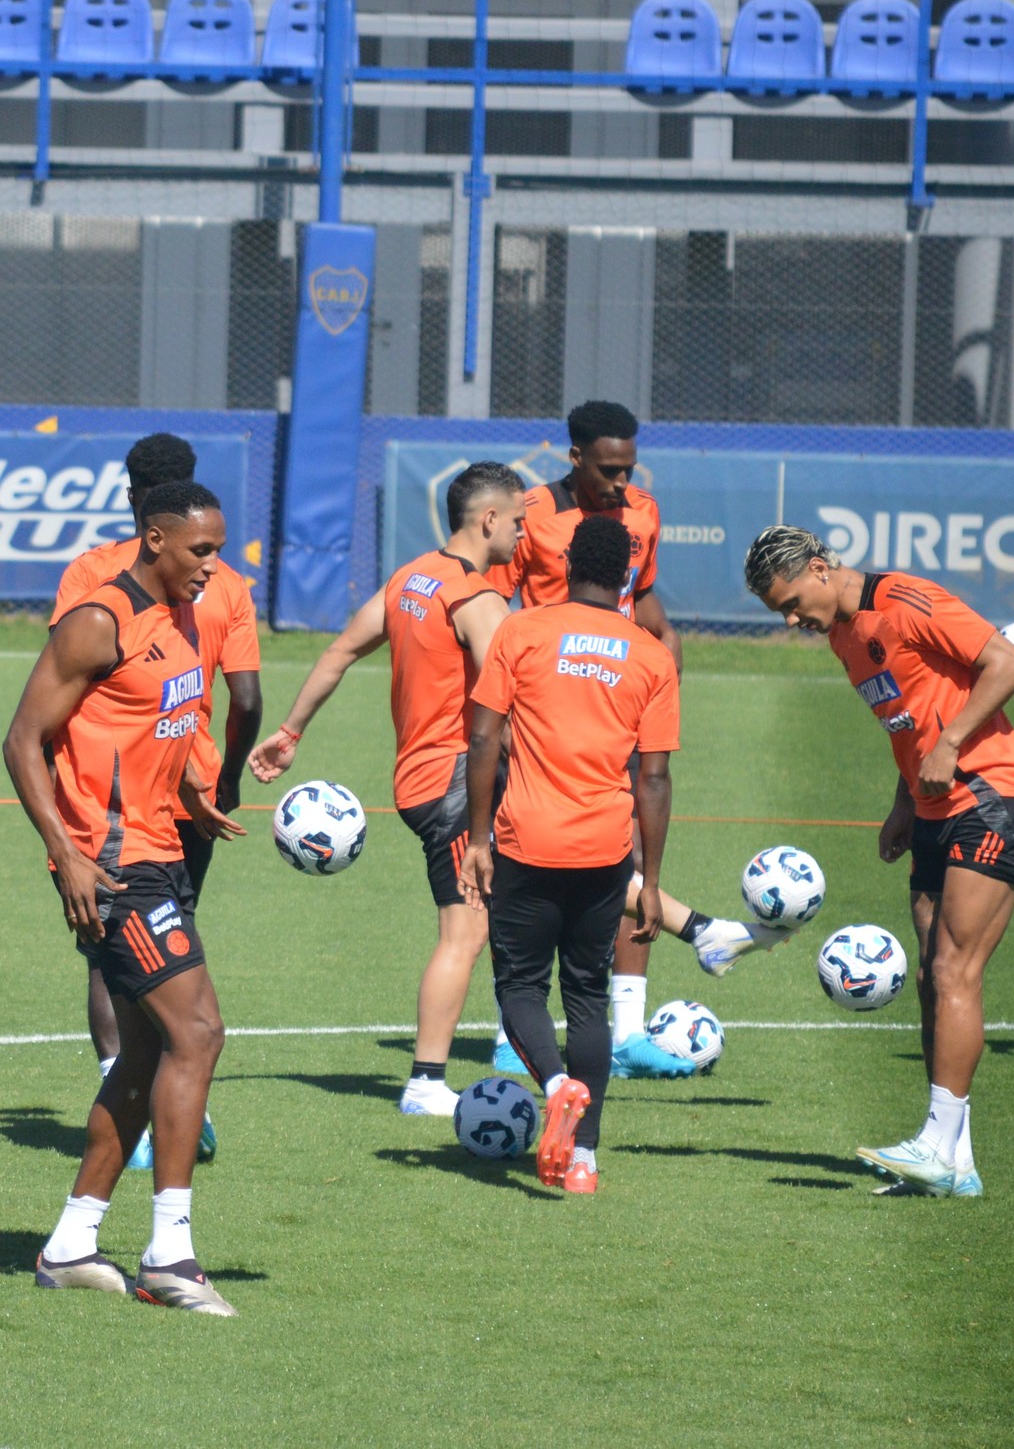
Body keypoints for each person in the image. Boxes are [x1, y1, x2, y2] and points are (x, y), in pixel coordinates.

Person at [488, 400, 791, 1081]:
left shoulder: (643, 513)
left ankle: (625, 1031)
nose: (620, 484)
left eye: (628, 469)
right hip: (545, 709)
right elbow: (493, 605)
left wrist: (666, 636)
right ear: (574, 459)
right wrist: (503, 712)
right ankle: (511, 1036)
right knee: (527, 865)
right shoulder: (532, 513)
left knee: (614, 854)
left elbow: (641, 599)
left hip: (616, 703)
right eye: (607, 470)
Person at [745, 525, 1014, 1198]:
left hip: (992, 796)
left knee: (952, 969)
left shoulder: (906, 599)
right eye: (779, 613)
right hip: (935, 810)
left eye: (792, 602)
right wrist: (905, 801)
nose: (792, 620)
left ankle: (936, 1145)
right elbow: (908, 720)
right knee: (933, 983)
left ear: (821, 568)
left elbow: (1007, 663)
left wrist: (954, 745)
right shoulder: (842, 636)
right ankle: (953, 1165)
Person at [6, 480, 244, 1315]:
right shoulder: (97, 621)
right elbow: (22, 741)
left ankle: (71, 1245)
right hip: (113, 870)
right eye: (200, 551)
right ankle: (170, 1255)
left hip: (164, 848)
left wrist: (190, 794)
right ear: (155, 537)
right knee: (199, 1032)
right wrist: (64, 851)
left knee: (148, 1053)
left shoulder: (183, 616)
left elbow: (153, 729)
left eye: (217, 549)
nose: (212, 566)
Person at [247, 461, 524, 1117]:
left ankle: (701, 930)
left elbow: (340, 651)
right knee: (465, 931)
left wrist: (291, 730)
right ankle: (427, 1081)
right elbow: (506, 705)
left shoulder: (411, 577)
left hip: (420, 781)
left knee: (551, 880)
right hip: (460, 783)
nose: (522, 535)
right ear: (488, 519)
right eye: (517, 521)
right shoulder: (477, 599)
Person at [53, 434, 262, 1167]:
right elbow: (244, 696)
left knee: (119, 968)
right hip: (118, 821)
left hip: (167, 798)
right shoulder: (201, 587)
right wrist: (225, 774)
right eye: (200, 548)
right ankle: (147, 1115)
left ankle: (135, 1089)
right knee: (176, 991)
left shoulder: (100, 570)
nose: (206, 563)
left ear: (128, 487)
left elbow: (97, 702)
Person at [459, 516, 680, 1195]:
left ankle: (555, 1084)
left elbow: (484, 737)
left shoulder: (522, 631)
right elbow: (654, 778)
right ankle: (584, 1160)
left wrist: (477, 838)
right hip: (605, 849)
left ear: (563, 566)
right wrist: (650, 879)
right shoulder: (650, 654)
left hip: (527, 840)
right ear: (625, 576)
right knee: (588, 996)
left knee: (520, 988)